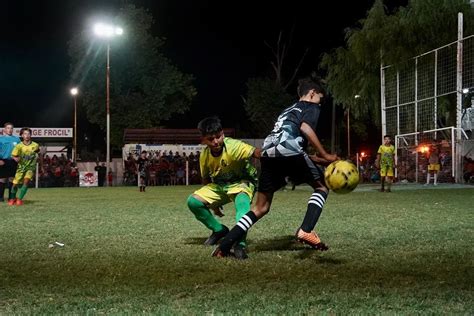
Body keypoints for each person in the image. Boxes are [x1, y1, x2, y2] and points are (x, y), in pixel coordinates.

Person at [212, 77, 338, 259]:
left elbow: (288, 145)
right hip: (290, 152)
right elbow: (305, 129)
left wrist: (318, 159)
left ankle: (224, 246)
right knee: (322, 186)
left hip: (268, 153)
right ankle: (306, 230)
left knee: (260, 207)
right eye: (320, 98)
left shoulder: (287, 111)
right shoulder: (311, 107)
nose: (320, 102)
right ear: (312, 94)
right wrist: (325, 155)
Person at [187, 116, 261, 259]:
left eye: (218, 136)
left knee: (242, 205)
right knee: (193, 202)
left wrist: (273, 155)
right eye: (210, 139)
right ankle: (219, 230)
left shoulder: (233, 145)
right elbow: (206, 179)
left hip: (242, 182)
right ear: (203, 139)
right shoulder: (205, 155)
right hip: (221, 185)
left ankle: (240, 243)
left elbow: (256, 153)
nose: (215, 142)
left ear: (223, 133)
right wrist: (213, 205)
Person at [8, 127, 40, 205]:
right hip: (21, 168)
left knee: (26, 181)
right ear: (22, 135)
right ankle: (12, 198)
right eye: (25, 134)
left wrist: (38, 157)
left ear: (30, 135)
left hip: (30, 168)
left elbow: (38, 153)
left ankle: (19, 199)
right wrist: (16, 158)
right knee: (15, 184)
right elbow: (13, 155)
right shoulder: (19, 146)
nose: (27, 135)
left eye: (28, 134)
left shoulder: (35, 145)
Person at [0, 122, 21, 202]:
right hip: (3, 161)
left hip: (13, 161)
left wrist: (18, 157)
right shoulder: (1, 139)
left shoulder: (16, 139)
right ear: (4, 129)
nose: (10, 130)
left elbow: (20, 150)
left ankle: (11, 197)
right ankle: (0, 197)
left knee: (12, 180)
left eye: (11, 128)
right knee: (2, 180)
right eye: (8, 128)